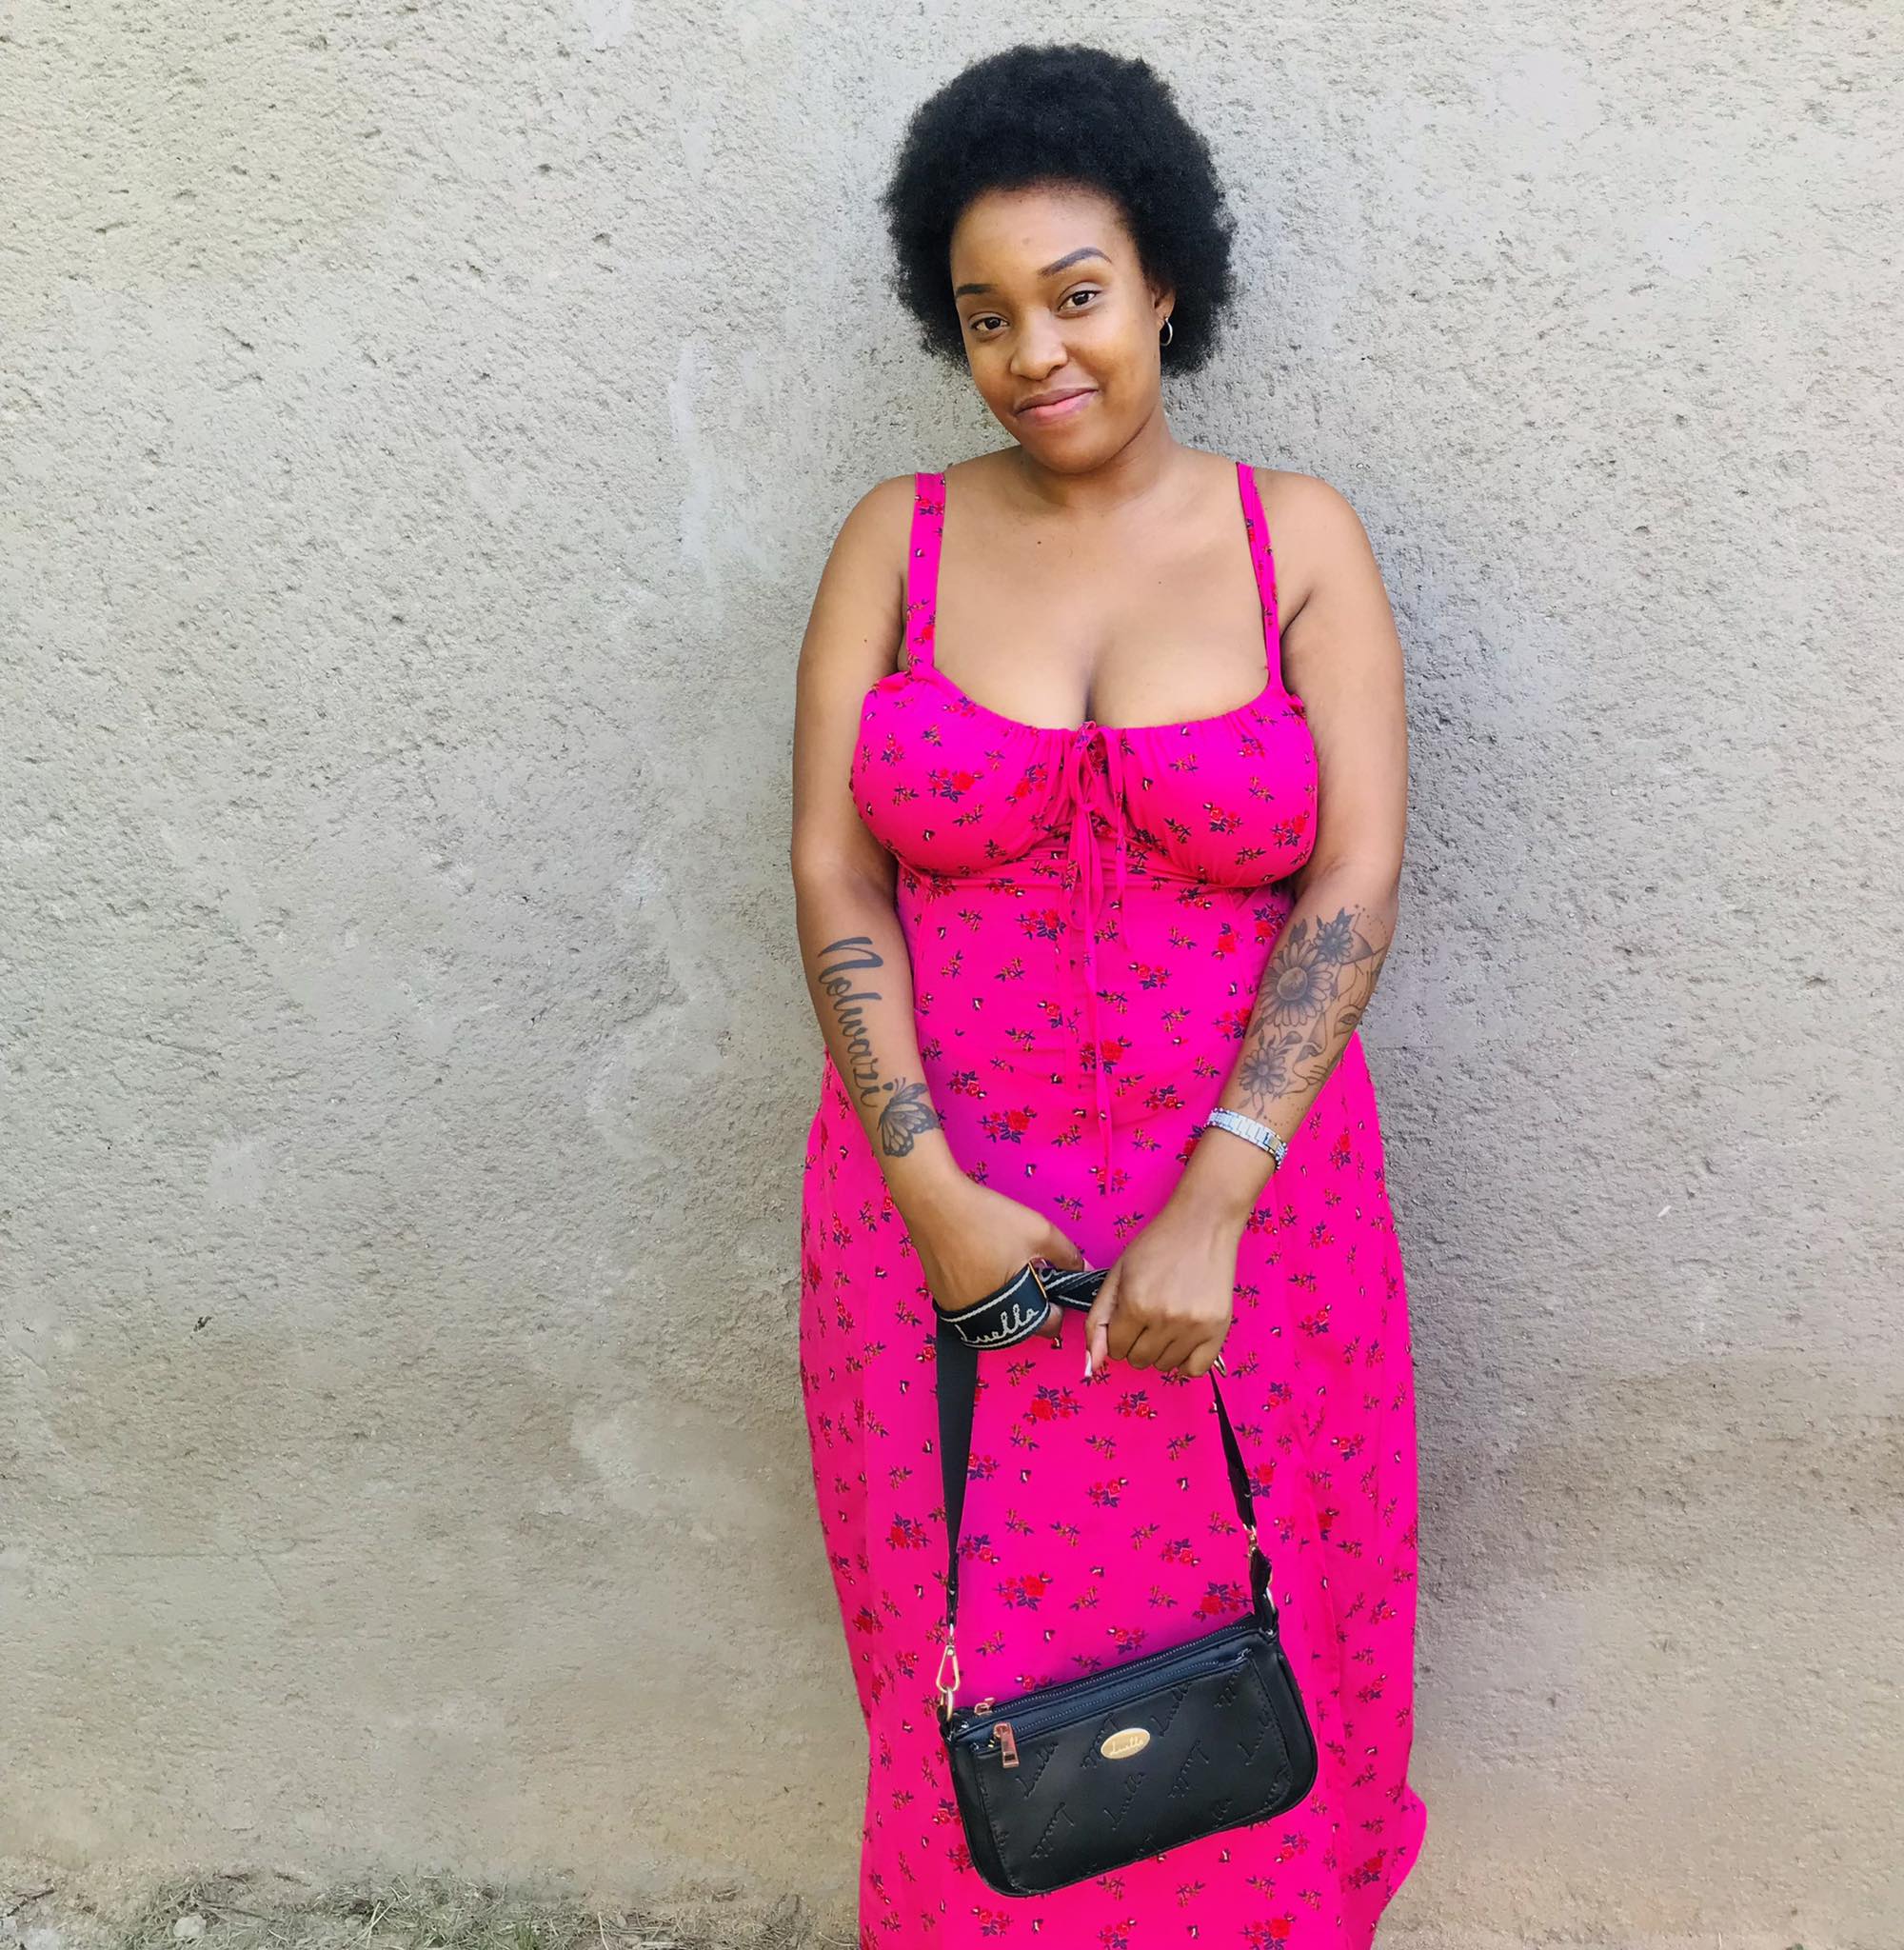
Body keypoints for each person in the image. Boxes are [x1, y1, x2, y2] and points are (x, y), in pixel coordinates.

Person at [788, 41, 1426, 1950]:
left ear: (1163, 286)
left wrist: (1216, 1200)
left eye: (1074, 295)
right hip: (947, 1231)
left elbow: (1354, 879)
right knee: (972, 1677)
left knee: (1273, 1643)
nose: (1033, 353)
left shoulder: (1296, 540)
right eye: (986, 315)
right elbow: (833, 873)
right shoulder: (894, 544)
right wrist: (932, 1197)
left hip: (1256, 1228)